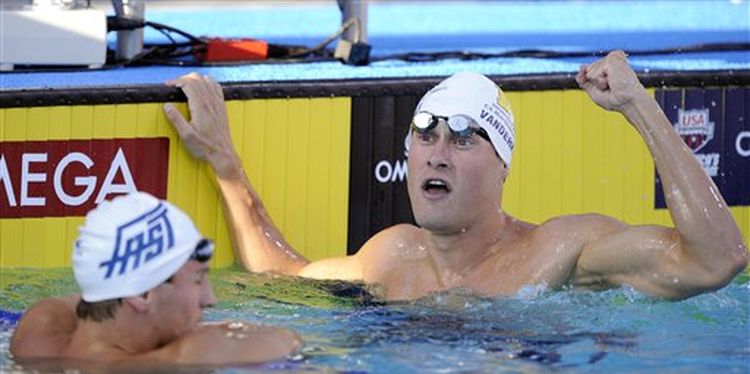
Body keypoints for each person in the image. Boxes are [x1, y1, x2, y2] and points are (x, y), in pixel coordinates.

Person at [163, 50, 747, 301]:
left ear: (503, 168)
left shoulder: (560, 251)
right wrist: (226, 164)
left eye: (466, 138)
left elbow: (715, 261)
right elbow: (281, 275)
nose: (438, 153)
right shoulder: (391, 257)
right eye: (426, 135)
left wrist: (639, 107)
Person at [10, 192, 302, 365]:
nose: (210, 299)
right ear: (143, 294)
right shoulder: (187, 357)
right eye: (198, 280)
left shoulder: (37, 330)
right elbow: (286, 340)